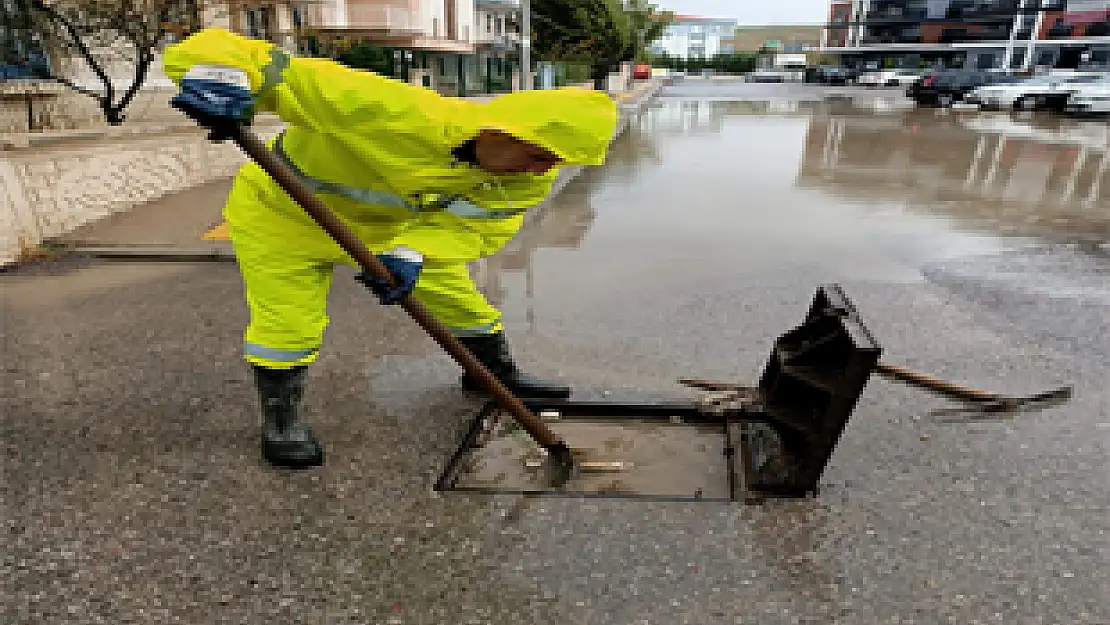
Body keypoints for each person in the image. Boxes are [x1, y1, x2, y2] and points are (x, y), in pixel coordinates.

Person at [162, 28, 619, 469]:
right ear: (501, 130)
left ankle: (493, 377)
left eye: (559, 162)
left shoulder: (522, 181)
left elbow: (478, 231)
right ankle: (282, 424)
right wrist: (221, 77)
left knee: (465, 307)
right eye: (540, 155)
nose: (542, 171)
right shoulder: (391, 109)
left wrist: (412, 252)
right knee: (287, 325)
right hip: (283, 220)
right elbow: (256, 61)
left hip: (389, 233)